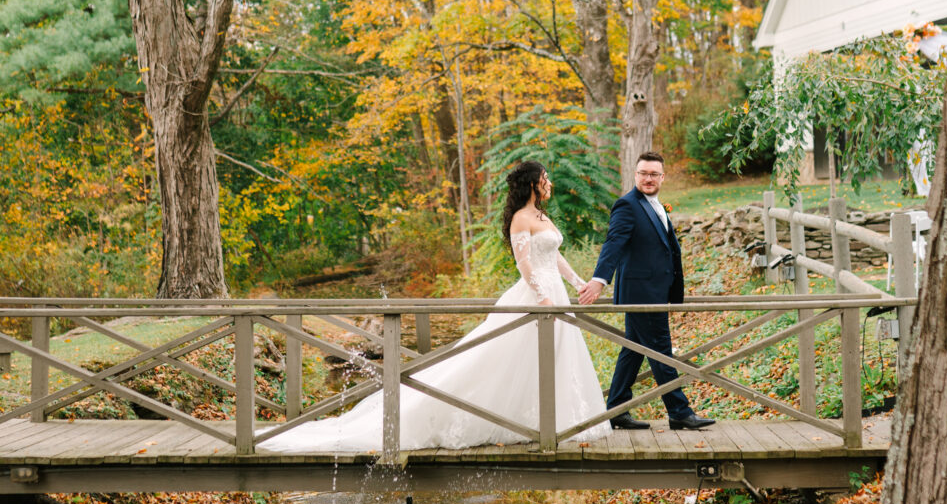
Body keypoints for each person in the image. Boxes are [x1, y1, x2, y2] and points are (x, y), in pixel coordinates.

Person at [262, 160, 612, 452]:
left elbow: (554, 256)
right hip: (536, 298)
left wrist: (579, 283)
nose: (549, 183)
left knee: (554, 356)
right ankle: (509, 420)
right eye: (545, 179)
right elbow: (525, 264)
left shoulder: (541, 216)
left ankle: (555, 421)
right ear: (533, 184)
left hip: (554, 295)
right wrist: (544, 300)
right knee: (501, 359)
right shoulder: (522, 217)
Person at [578, 151, 715, 431]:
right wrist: (599, 280)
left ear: (662, 177)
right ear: (635, 175)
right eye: (643, 173)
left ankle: (616, 408)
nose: (648, 178)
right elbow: (613, 243)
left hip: (655, 291)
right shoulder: (626, 205)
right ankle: (679, 411)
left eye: (654, 174)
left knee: (634, 351)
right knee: (661, 350)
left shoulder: (658, 206)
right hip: (640, 294)